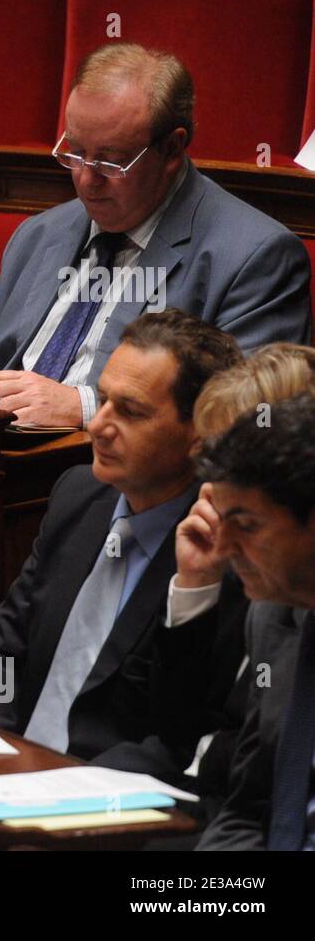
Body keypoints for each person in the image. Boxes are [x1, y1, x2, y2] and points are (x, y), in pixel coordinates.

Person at [0, 43, 309, 428]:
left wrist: (85, 407)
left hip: (119, 482)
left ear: (172, 149)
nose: (85, 180)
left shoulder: (254, 256)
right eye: (74, 152)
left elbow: (246, 413)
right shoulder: (38, 235)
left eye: (110, 162)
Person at [0, 310, 242, 780]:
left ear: (200, 437)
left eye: (130, 412)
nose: (97, 427)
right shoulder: (79, 495)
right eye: (103, 400)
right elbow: (1, 653)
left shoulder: (219, 554)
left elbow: (182, 739)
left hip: (107, 800)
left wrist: (54, 785)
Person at [154, 346, 315, 829]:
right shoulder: (221, 547)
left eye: (243, 452)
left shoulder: (282, 569)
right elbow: (174, 733)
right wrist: (196, 585)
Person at [190, 396, 315, 850]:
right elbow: (245, 810)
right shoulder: (270, 617)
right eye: (221, 521)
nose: (221, 549)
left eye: (245, 524)